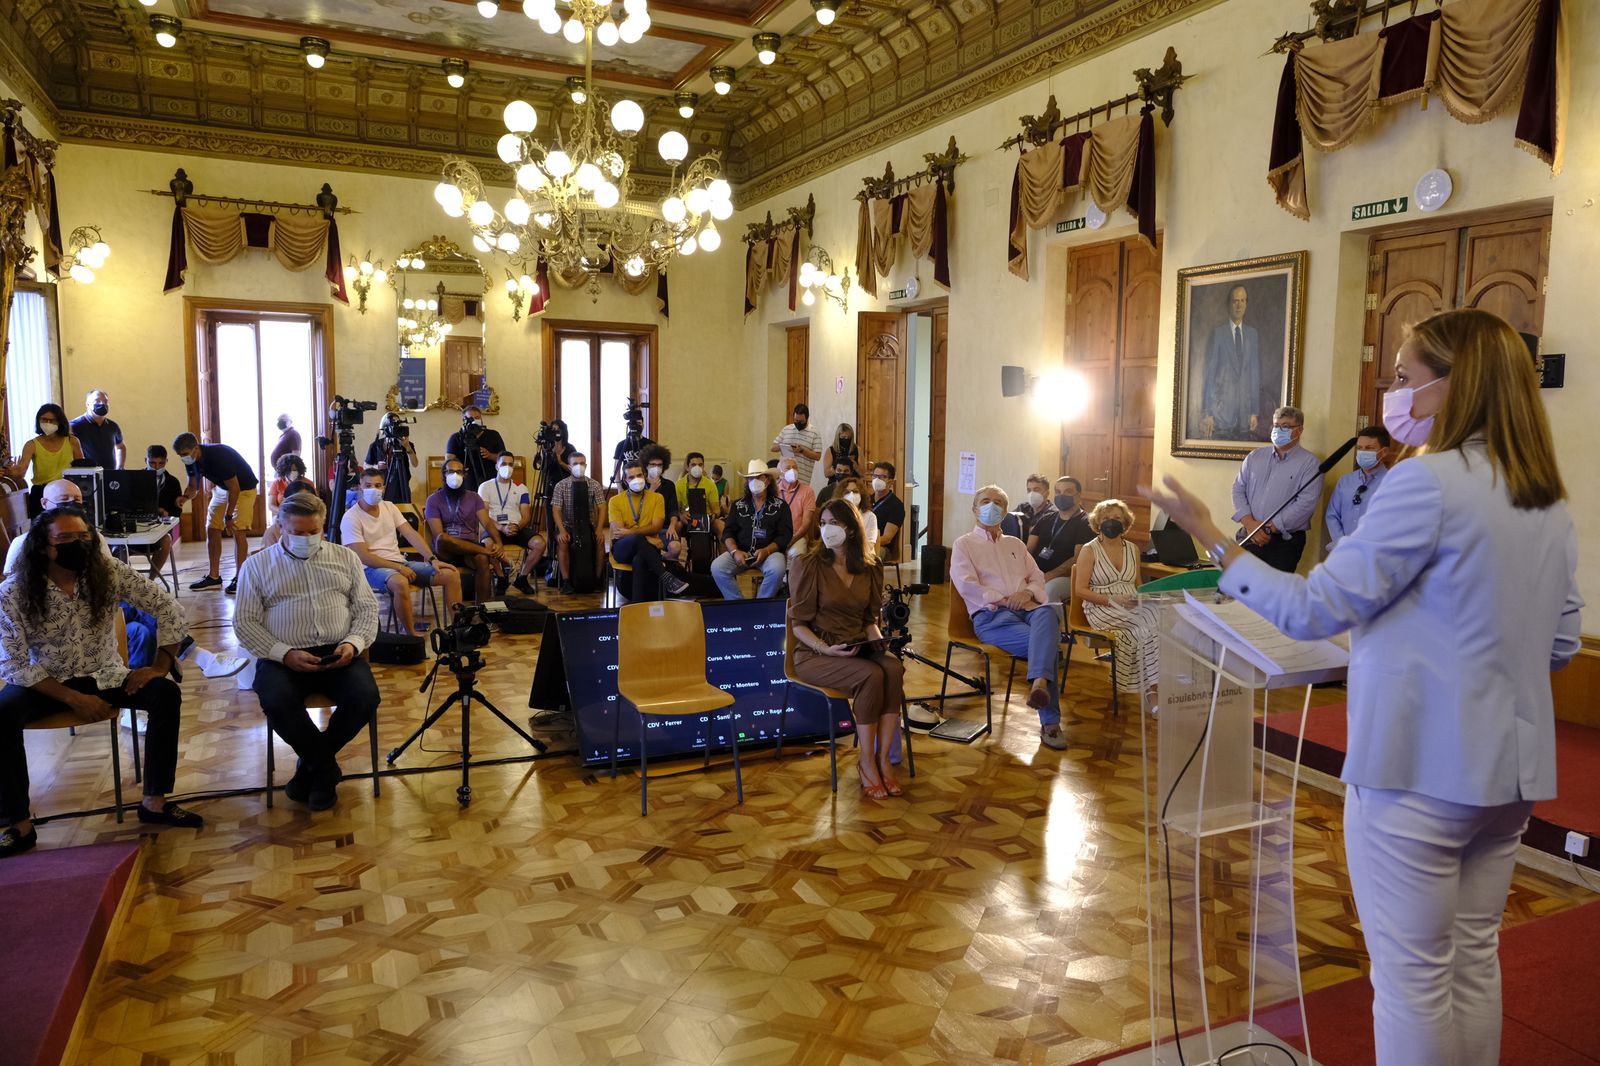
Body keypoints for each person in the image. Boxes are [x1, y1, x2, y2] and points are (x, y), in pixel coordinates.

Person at [1144, 308, 1582, 1066]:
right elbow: (1563, 643)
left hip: (1415, 773)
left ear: (1454, 386)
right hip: (1510, 773)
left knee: (1410, 981)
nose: (1393, 392)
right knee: (1472, 959)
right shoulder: (1544, 496)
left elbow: (1312, 608)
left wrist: (1214, 536)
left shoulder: (1425, 484)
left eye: (1406, 377)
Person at [0, 506, 204, 857]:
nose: (77, 545)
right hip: (47, 682)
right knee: (1, 714)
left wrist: (159, 665)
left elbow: (169, 608)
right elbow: (14, 665)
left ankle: (154, 801)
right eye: (65, 539)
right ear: (42, 546)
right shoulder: (14, 592)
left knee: (164, 694)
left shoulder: (108, 573)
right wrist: (73, 699)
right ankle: (17, 823)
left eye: (83, 537)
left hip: (105, 674)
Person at [4, 480, 244, 680]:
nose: (72, 506)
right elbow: (16, 596)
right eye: (64, 500)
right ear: (45, 504)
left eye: (77, 501)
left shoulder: (93, 537)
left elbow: (111, 580)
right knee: (140, 618)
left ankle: (140, 688)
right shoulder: (23, 545)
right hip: (54, 623)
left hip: (100, 611)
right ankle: (198, 656)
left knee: (142, 624)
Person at [234, 492, 380, 811]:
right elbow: (244, 623)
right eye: (298, 533)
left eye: (313, 532)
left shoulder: (345, 558)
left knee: (366, 697)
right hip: (282, 656)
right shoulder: (257, 566)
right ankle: (325, 770)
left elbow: (368, 609)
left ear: (323, 526)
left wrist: (353, 643)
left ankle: (309, 769)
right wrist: (284, 653)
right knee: (275, 699)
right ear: (281, 528)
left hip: (338, 651)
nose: (307, 539)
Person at [787, 499, 905, 799]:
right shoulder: (808, 564)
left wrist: (878, 639)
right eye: (823, 523)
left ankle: (883, 759)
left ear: (851, 530)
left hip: (857, 644)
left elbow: (869, 619)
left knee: (892, 667)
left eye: (834, 523)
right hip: (814, 652)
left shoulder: (870, 566)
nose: (827, 530)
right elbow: (798, 624)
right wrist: (826, 649)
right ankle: (866, 762)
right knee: (871, 676)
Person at [949, 485, 1065, 750]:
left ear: (1005, 511)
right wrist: (1003, 599)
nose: (992, 506)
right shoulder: (963, 544)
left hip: (1029, 611)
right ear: (975, 509)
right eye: (986, 501)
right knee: (1047, 648)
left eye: (998, 502)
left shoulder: (1016, 544)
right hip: (993, 617)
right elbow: (966, 585)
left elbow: (1037, 578)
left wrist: (1026, 593)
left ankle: (1038, 682)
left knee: (1047, 612)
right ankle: (1051, 723)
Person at [341, 467, 462, 635]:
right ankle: (411, 636)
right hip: (369, 570)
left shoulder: (389, 507)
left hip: (399, 563)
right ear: (360, 486)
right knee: (399, 582)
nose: (373, 490)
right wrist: (398, 568)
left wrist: (432, 559)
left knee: (450, 574)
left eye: (377, 485)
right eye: (368, 485)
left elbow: (410, 533)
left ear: (383, 488)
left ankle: (459, 630)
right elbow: (364, 557)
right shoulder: (351, 517)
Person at [1071, 500, 1162, 711]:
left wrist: (1143, 599)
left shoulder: (1132, 549)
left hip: (1132, 606)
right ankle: (1153, 690)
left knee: (1159, 618)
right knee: (1150, 623)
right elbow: (1080, 590)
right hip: (1101, 607)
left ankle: (1153, 686)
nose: (1111, 522)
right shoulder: (1089, 549)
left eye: (1117, 519)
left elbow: (1137, 584)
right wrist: (1113, 599)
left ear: (1125, 523)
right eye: (1106, 518)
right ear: (1098, 522)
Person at [1230, 405, 1321, 573]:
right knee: (1236, 590)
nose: (1279, 430)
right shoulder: (1255, 457)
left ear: (1299, 430)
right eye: (1276, 425)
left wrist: (1267, 528)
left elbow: (1306, 504)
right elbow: (1238, 489)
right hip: (1249, 534)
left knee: (1272, 595)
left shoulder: (1310, 463)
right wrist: (1250, 524)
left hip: (1283, 542)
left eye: (1285, 426)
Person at [172, 432, 259, 593]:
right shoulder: (190, 460)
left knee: (238, 530)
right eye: (179, 455)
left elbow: (235, 488)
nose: (183, 458)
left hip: (244, 489)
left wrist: (228, 516)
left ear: (195, 448)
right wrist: (184, 497)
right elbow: (193, 486)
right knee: (211, 528)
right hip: (223, 489)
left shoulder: (218, 456)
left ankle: (240, 578)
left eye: (184, 454)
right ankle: (214, 577)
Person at [424, 458, 504, 603]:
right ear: (443, 475)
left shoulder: (474, 497)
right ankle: (486, 551)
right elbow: (437, 535)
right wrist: (486, 549)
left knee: (482, 559)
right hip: (446, 552)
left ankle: (482, 608)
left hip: (470, 550)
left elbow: (486, 522)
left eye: (459, 472)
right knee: (443, 538)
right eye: (451, 472)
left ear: (464, 475)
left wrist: (499, 543)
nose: (455, 475)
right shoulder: (433, 500)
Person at [608, 458, 685, 602]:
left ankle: (638, 605)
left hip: (648, 549)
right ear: (625, 480)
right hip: (623, 548)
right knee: (637, 540)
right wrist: (644, 537)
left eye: (639, 475)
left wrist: (631, 532)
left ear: (644, 476)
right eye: (631, 477)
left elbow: (656, 526)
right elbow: (619, 532)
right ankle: (666, 577)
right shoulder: (615, 501)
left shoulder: (657, 498)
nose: (636, 479)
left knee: (640, 559)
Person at [713, 461, 792, 599]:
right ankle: (738, 605)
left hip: (770, 553)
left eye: (759, 477)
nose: (754, 481)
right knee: (717, 567)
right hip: (741, 552)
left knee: (777, 568)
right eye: (751, 478)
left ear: (767, 480)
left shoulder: (781, 506)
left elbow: (785, 535)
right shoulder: (738, 505)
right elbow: (728, 532)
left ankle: (761, 605)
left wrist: (767, 550)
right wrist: (734, 551)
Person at [1201, 284, 1263, 441]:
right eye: (1235, 301)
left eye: (1242, 301)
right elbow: (1210, 374)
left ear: (1246, 304)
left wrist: (1254, 411)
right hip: (1221, 414)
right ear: (1229, 304)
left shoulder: (1252, 334)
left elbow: (1254, 374)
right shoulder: (1218, 334)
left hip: (1245, 414)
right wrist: (1208, 413)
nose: (1239, 305)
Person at [477, 451, 544, 595]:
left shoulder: (521, 487)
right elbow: (483, 514)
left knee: (540, 544)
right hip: (494, 527)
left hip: (516, 527)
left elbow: (526, 514)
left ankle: (522, 577)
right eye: (503, 464)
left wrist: (517, 526)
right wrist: (501, 527)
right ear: (496, 466)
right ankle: (501, 578)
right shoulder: (485, 487)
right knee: (488, 545)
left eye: (510, 464)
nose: (507, 467)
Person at [1030, 476, 1096, 607]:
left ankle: (1052, 625)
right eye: (1058, 492)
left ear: (1079, 495)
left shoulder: (1086, 523)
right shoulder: (1046, 519)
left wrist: (1050, 575)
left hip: (1068, 577)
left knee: (1049, 591)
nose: (1062, 495)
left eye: (1068, 492)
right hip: (1038, 574)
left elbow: (1078, 559)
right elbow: (1027, 551)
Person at [1325, 426, 1394, 550]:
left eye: (1369, 448)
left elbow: (1394, 522)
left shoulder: (1393, 482)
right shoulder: (1345, 481)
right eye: (1359, 448)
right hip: (1342, 550)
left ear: (1384, 452)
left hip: (1375, 553)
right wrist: (1342, 543)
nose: (1363, 452)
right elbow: (1332, 515)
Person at [7, 403, 83, 516]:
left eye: (52, 420)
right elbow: (21, 472)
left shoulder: (72, 441)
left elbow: (82, 468)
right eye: (44, 420)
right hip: (41, 492)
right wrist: (14, 472)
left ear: (60, 422)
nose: (48, 423)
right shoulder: (31, 445)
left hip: (66, 491)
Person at [550, 451, 606, 594]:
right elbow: (556, 510)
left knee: (600, 542)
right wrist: (562, 530)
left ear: (586, 465)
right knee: (562, 542)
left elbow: (602, 507)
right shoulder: (561, 485)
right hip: (567, 525)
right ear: (569, 466)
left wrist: (599, 529)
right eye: (575, 464)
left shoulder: (594, 484)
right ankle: (566, 581)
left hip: (588, 525)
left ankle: (598, 579)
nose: (579, 466)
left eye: (582, 463)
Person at [144, 445, 186, 582]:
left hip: (161, 529)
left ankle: (150, 581)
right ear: (146, 460)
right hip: (139, 526)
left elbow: (178, 510)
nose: (156, 467)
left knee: (166, 540)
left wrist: (166, 512)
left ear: (166, 462)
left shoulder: (173, 482)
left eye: (160, 463)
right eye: (152, 463)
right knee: (117, 547)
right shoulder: (136, 479)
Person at [445, 404, 505, 489]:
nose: (475, 421)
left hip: (490, 480)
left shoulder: (493, 435)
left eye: (477, 418)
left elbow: (504, 458)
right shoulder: (456, 437)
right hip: (465, 482)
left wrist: (490, 455)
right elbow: (449, 460)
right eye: (471, 418)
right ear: (464, 420)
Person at [365, 413, 419, 504]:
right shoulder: (376, 445)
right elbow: (365, 466)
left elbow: (415, 464)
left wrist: (407, 447)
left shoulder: (407, 445)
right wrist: (377, 466)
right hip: (381, 487)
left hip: (402, 487)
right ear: (385, 427)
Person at [69, 389, 125, 471]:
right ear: (87, 404)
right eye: (97, 401)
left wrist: (120, 467)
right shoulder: (74, 425)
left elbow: (120, 447)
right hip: (87, 475)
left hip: (109, 474)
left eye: (105, 401)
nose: (102, 404)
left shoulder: (113, 426)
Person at [771, 403, 822, 484]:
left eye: (801, 421)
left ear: (807, 418)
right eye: (796, 420)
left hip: (802, 478)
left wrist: (802, 450)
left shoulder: (814, 433)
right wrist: (785, 447)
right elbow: (773, 448)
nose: (798, 423)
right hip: (783, 478)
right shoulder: (786, 429)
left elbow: (817, 456)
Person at [776, 455, 817, 556]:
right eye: (788, 468)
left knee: (796, 553)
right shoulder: (773, 490)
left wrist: (791, 540)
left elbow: (806, 523)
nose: (792, 471)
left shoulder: (807, 491)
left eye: (795, 468)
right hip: (775, 536)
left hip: (797, 536)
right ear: (780, 473)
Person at [867, 461, 906, 564]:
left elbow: (887, 538)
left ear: (890, 482)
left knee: (862, 554)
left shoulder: (896, 506)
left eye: (882, 477)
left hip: (882, 548)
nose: (877, 480)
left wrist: (866, 543)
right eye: (875, 476)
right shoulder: (865, 501)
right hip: (862, 542)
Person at [267, 454, 317, 528]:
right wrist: (284, 512)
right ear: (284, 471)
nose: (292, 472)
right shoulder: (277, 483)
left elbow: (315, 502)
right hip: (283, 515)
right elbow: (271, 505)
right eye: (290, 470)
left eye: (295, 470)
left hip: (303, 515)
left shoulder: (308, 483)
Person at [1001, 474, 1053, 540]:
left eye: (1036, 490)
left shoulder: (1052, 513)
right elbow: (1009, 523)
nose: (1032, 494)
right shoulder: (1022, 508)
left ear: (1047, 493)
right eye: (1029, 490)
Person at [676, 451, 721, 527]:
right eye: (693, 465)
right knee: (677, 526)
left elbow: (716, 510)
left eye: (700, 465)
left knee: (720, 525)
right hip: (687, 520)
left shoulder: (710, 484)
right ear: (687, 467)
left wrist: (713, 516)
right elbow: (676, 509)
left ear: (703, 467)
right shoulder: (679, 484)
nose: (697, 468)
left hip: (706, 520)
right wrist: (681, 515)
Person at [833, 476, 878, 551]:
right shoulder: (835, 515)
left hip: (863, 555)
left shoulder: (870, 516)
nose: (851, 495)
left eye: (855, 491)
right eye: (847, 492)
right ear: (840, 495)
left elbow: (870, 544)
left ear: (861, 494)